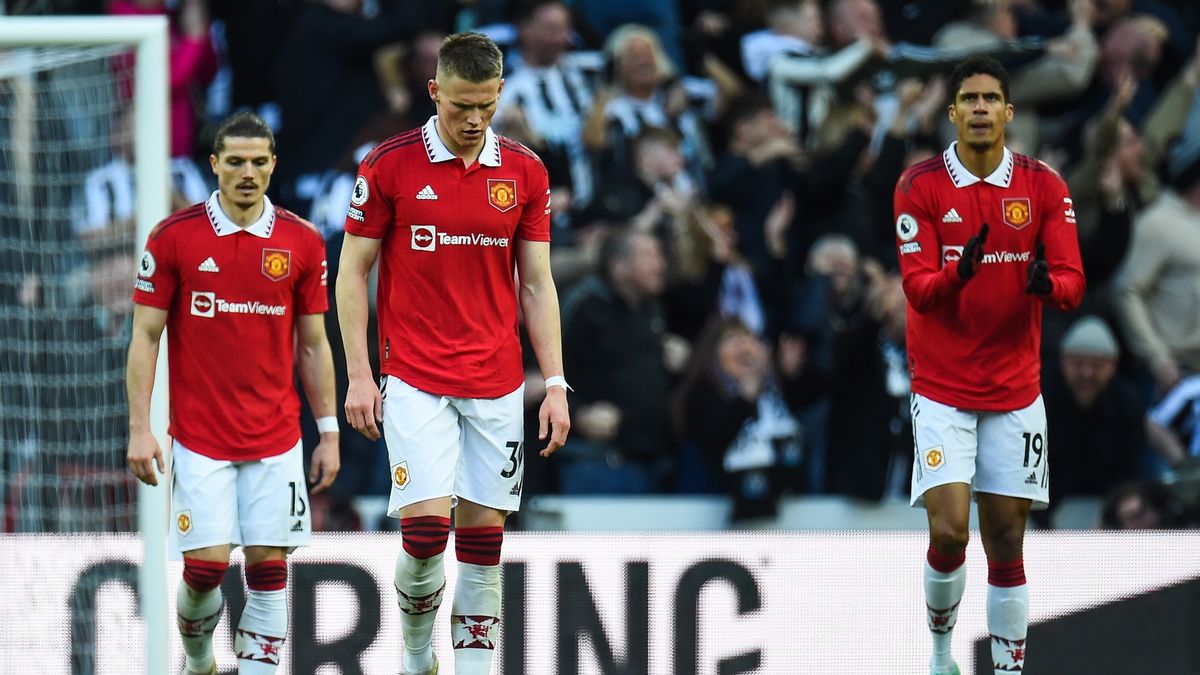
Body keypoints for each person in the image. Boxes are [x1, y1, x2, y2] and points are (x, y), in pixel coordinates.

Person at [336, 32, 570, 675]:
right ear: (434, 90)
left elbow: (537, 281)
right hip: (413, 374)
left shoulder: (524, 170)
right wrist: (359, 374)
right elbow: (352, 271)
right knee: (423, 537)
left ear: (500, 96)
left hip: (495, 379)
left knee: (483, 544)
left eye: (486, 108)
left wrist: (554, 382)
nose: (472, 121)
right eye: (461, 105)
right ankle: (416, 653)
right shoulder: (388, 164)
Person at [125, 111, 340, 674]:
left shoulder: (302, 240)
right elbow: (146, 338)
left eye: (259, 161)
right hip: (198, 439)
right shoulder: (174, 238)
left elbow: (313, 345)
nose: (248, 172)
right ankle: (198, 658)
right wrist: (140, 428)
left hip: (275, 435)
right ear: (215, 165)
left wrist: (329, 432)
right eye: (236, 161)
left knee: (270, 571)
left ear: (273, 164)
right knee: (205, 571)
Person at [893, 55, 1085, 675]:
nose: (980, 108)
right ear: (952, 114)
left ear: (1008, 111)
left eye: (990, 99)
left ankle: (1007, 670)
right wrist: (961, 272)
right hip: (943, 387)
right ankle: (942, 653)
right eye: (968, 99)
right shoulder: (919, 186)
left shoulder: (1044, 186)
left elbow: (1073, 282)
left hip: (1015, 389)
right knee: (950, 531)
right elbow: (918, 289)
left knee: (1007, 540)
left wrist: (1043, 285)